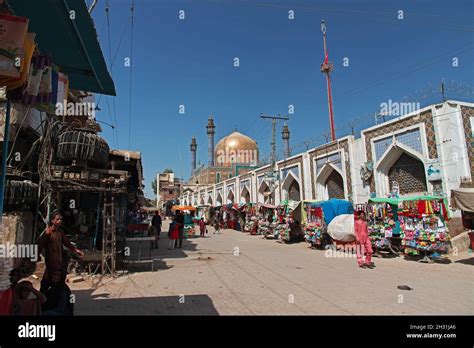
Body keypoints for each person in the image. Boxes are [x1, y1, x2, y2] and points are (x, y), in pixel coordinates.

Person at [38, 212, 84, 293]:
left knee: (59, 280)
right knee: (47, 279)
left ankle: (56, 298)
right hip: (51, 261)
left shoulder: (60, 232)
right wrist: (36, 256)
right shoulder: (48, 232)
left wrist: (75, 250)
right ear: (52, 220)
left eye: (60, 219)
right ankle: (42, 299)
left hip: (59, 260)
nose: (59, 221)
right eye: (57, 219)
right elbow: (40, 245)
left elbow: (66, 243)